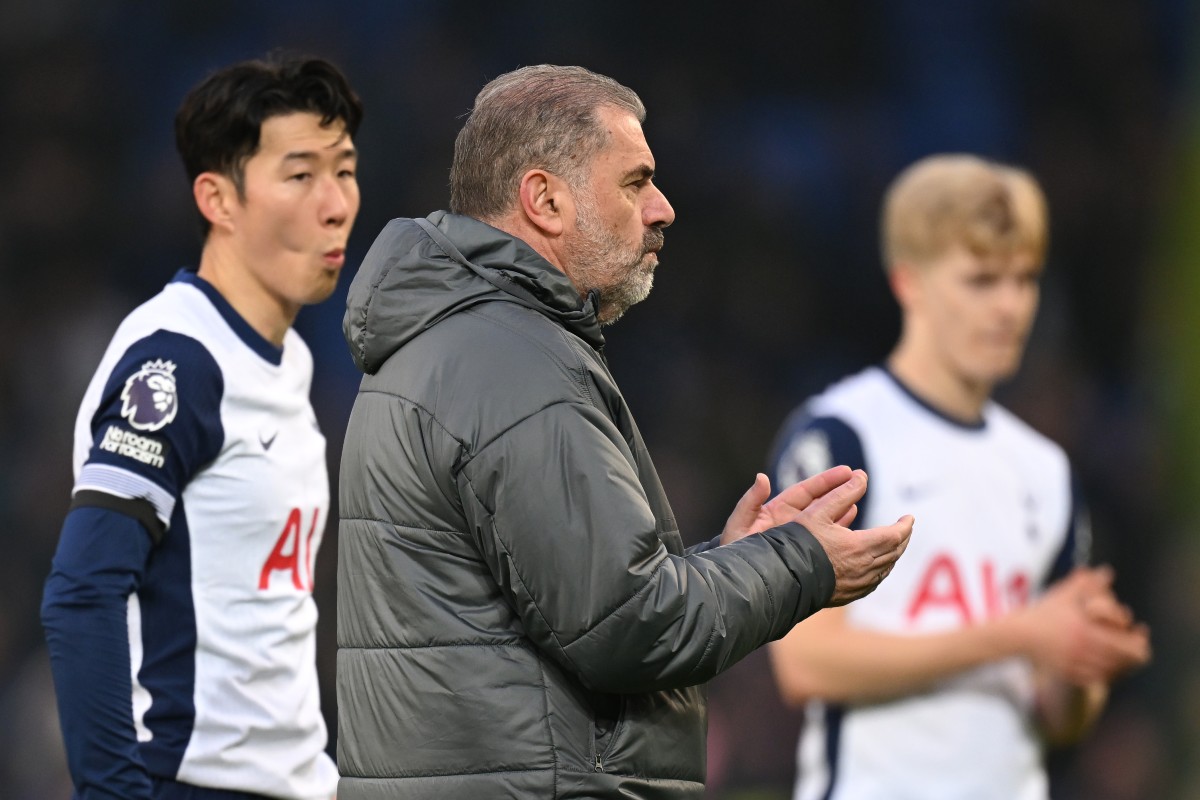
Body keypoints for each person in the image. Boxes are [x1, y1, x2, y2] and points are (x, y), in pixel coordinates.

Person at [335, 64, 913, 799]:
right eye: (636, 182)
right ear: (544, 199)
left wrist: (737, 558)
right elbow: (630, 628)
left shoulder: (453, 343)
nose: (664, 209)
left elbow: (576, 601)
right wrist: (799, 564)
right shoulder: (510, 363)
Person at [766, 154, 1152, 800]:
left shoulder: (1046, 470)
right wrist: (1021, 633)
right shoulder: (841, 436)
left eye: (1024, 280)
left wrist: (1081, 661)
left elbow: (1058, 720)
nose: (1010, 308)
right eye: (981, 280)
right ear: (909, 282)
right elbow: (805, 663)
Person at [41, 53, 363, 800]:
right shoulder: (179, 364)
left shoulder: (289, 363)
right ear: (218, 199)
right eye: (300, 175)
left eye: (344, 170)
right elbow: (81, 593)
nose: (335, 202)